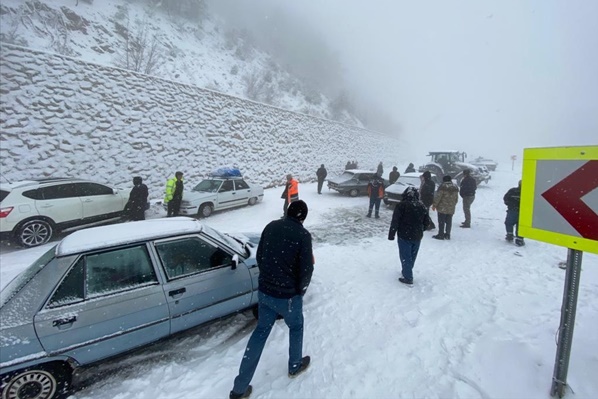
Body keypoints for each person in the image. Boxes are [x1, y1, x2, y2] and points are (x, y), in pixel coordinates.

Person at [230, 200, 314, 399]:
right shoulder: (302, 235)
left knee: (260, 332)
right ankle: (294, 365)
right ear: (302, 217)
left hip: (265, 293)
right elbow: (306, 269)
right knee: (296, 326)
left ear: (287, 212)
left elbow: (260, 256)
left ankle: (239, 388)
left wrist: (269, 279)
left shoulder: (271, 226)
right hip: (287, 296)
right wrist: (300, 290)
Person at [388, 187, 429, 285]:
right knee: (412, 255)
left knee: (405, 255)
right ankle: (407, 270)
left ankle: (408, 277)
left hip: (404, 235)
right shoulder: (422, 206)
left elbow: (395, 221)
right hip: (417, 235)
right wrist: (421, 229)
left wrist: (391, 234)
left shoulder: (401, 206)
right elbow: (427, 222)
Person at [432, 175, 459, 240]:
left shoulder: (442, 186)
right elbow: (456, 198)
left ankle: (441, 234)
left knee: (441, 221)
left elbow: (438, 197)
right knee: (449, 221)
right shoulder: (455, 187)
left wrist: (434, 205)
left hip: (442, 208)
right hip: (451, 208)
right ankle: (447, 234)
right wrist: (453, 205)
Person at [504, 180, 525, 246]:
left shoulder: (512, 191)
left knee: (509, 223)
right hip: (524, 212)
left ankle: (509, 234)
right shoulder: (528, 192)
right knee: (521, 225)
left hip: (512, 210)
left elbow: (505, 198)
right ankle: (519, 238)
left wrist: (509, 204)